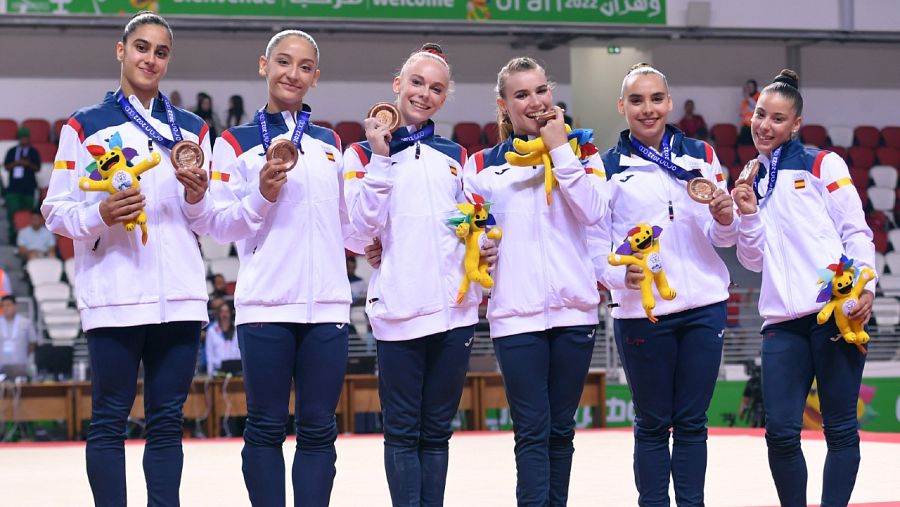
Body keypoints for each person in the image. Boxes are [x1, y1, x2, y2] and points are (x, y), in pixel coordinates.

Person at [41, 12, 213, 506]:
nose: (150, 59)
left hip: (179, 296)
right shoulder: (85, 125)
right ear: (121, 51)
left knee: (166, 422)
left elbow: (205, 221)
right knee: (110, 418)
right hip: (115, 290)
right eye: (141, 47)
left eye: (160, 52)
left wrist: (200, 196)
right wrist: (100, 213)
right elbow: (56, 210)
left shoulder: (192, 129)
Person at [206, 29, 368, 507]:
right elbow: (218, 226)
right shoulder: (233, 142)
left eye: (303, 66)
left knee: (319, 429)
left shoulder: (331, 143)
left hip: (327, 308)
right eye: (283, 62)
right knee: (265, 426)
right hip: (266, 305)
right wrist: (262, 194)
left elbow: (348, 225)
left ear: (314, 78)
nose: (291, 73)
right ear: (263, 65)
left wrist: (376, 238)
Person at [590, 63, 748, 507]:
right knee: (654, 422)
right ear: (621, 106)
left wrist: (724, 218)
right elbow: (596, 243)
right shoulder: (606, 168)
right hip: (644, 310)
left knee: (693, 422)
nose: (648, 109)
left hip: (704, 306)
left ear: (669, 102)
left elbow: (725, 236)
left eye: (656, 98)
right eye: (636, 100)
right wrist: (618, 275)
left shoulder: (700, 153)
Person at [343, 43, 489, 507]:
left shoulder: (454, 155)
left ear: (445, 99)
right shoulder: (360, 154)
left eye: (436, 88)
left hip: (454, 314)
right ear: (397, 85)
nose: (424, 94)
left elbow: (467, 220)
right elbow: (360, 227)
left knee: (437, 433)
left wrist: (484, 238)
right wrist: (383, 157)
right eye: (417, 83)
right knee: (403, 433)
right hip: (400, 310)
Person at [462, 56, 608, 506]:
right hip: (515, 315)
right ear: (504, 105)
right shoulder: (482, 164)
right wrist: (479, 242)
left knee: (561, 431)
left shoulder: (584, 151)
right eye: (521, 94)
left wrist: (560, 148)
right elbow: (469, 230)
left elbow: (595, 211)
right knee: (531, 431)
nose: (535, 101)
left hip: (574, 312)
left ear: (553, 94)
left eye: (541, 90)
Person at [734, 69, 876, 507]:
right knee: (779, 432)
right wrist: (749, 214)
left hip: (835, 315)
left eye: (778, 119)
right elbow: (751, 260)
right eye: (760, 115)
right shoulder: (749, 176)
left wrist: (866, 286)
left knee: (838, 428)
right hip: (781, 323)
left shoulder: (821, 163)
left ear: (795, 124)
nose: (765, 125)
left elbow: (856, 230)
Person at [4, 127, 42, 243]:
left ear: (29, 139)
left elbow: (37, 168)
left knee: (28, 213)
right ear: (19, 138)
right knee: (12, 212)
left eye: (26, 138)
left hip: (28, 188)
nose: (24, 140)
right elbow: (6, 166)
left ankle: (27, 239)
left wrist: (27, 164)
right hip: (13, 188)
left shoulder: (33, 152)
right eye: (22, 138)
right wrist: (16, 163)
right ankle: (13, 236)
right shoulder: (11, 151)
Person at [0, 295, 37, 376]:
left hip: (20, 364)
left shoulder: (26, 322)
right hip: (1, 365)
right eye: (3, 306)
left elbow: (32, 343)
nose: (6, 308)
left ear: (15, 305)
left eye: (8, 305)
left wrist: (22, 354)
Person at [204, 302, 239, 375]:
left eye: (226, 312)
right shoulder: (212, 331)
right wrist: (210, 374)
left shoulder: (237, 330)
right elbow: (209, 353)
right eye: (222, 312)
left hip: (236, 370)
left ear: (230, 313)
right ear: (219, 314)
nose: (224, 314)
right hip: (217, 371)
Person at [739, 79, 759, 145]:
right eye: (748, 87)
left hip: (754, 127)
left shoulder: (759, 96)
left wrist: (747, 97)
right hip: (745, 126)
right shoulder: (746, 99)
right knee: (743, 146)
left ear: (755, 87)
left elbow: (757, 106)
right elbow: (742, 112)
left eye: (751, 87)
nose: (749, 89)